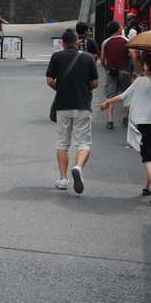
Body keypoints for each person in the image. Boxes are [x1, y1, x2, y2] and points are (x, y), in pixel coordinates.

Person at [96, 53, 151, 206]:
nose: (142, 65)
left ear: (149, 66)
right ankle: (146, 188)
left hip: (147, 124)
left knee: (148, 157)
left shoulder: (140, 82)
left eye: (145, 63)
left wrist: (106, 103)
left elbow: (123, 97)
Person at [46, 28, 99, 194]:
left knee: (62, 143)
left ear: (62, 43)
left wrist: (60, 88)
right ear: (78, 42)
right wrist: (85, 89)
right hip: (82, 104)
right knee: (83, 142)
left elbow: (49, 81)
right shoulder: (88, 57)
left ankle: (63, 179)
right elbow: (95, 83)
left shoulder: (56, 57)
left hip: (63, 105)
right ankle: (78, 167)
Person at [100, 20, 141, 129]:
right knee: (127, 93)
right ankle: (126, 117)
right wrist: (135, 71)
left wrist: (106, 68)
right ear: (119, 29)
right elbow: (134, 56)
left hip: (111, 71)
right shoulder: (126, 41)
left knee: (110, 95)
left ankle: (110, 119)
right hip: (124, 71)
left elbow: (102, 59)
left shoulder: (105, 42)